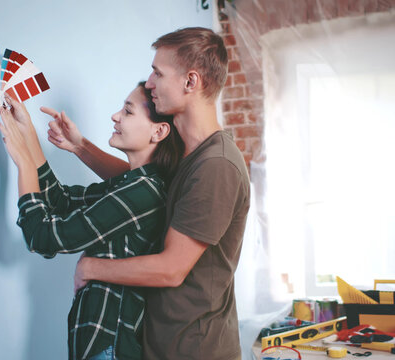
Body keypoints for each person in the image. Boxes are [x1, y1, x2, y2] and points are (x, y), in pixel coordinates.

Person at [49, 27, 251, 359]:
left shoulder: (217, 166)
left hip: (195, 351)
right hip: (162, 344)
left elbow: (171, 268)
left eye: (158, 72)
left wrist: (91, 267)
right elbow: (143, 184)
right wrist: (80, 147)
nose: (150, 82)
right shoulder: (189, 154)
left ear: (190, 82)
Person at [0, 81, 184, 360]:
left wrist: (24, 162)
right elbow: (61, 202)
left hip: (108, 349)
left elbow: (43, 237)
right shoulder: (133, 185)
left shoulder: (143, 193)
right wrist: (29, 136)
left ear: (159, 131)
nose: (116, 116)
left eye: (128, 111)